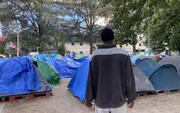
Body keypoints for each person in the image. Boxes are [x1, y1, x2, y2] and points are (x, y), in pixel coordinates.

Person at [85, 28, 136, 113]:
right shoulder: (123, 54)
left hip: (101, 102)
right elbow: (129, 78)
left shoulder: (95, 56)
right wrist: (131, 98)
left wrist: (88, 98)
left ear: (101, 39)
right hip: (118, 102)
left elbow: (91, 79)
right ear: (113, 38)